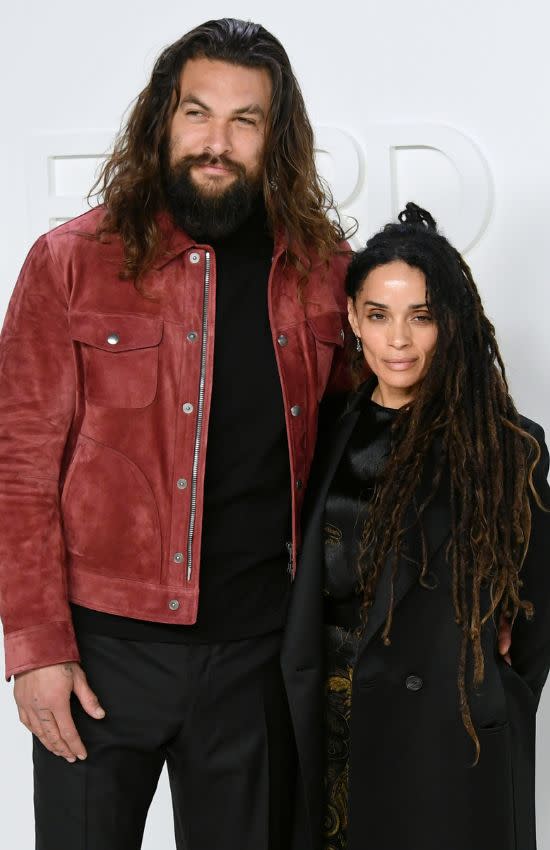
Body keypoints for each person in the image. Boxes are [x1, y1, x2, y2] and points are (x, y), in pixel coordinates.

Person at [0, 18, 352, 850]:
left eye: (245, 120)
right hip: (101, 659)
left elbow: (368, 450)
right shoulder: (69, 263)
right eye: (198, 113)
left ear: (278, 137)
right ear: (162, 119)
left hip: (256, 662)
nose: (217, 143)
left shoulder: (324, 274)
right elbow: (17, 470)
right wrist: (36, 651)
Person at [281, 203, 550, 850]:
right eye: (378, 315)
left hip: (445, 740)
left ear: (450, 325)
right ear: (352, 319)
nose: (398, 339)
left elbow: (538, 613)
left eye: (421, 317)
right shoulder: (318, 433)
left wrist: (494, 691)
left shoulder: (506, 447)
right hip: (329, 725)